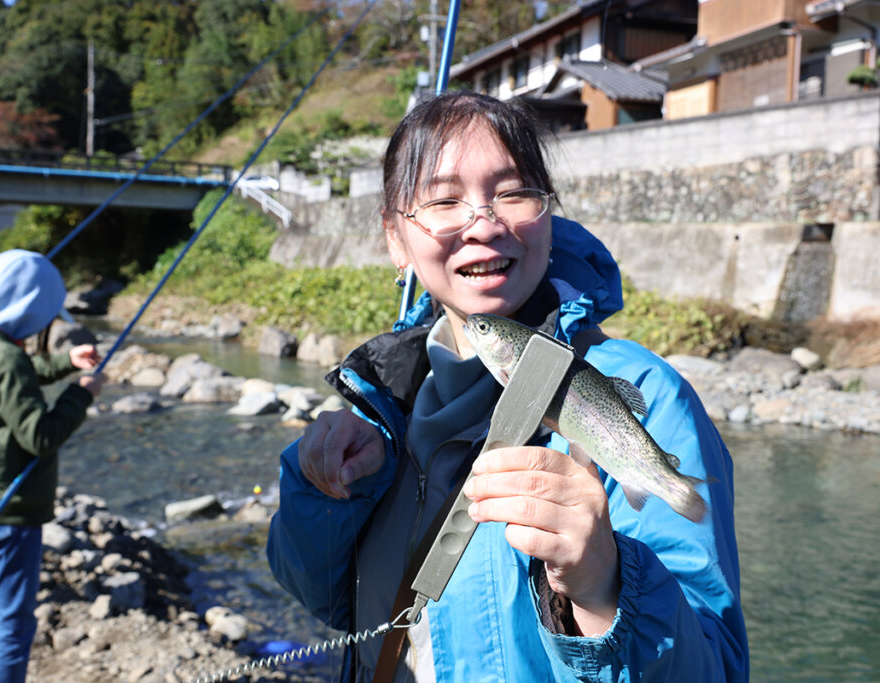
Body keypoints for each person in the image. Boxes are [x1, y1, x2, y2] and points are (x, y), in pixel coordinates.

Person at [266, 92, 748, 681]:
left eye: (513, 193)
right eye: (444, 200)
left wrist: (603, 589)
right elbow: (331, 603)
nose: (485, 224)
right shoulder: (382, 400)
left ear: (548, 214)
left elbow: (714, 667)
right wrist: (321, 494)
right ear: (396, 237)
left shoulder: (647, 391)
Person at [0, 249, 105, 681]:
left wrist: (64, 364)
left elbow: (10, 378)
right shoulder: (4, 357)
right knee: (14, 624)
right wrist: (83, 393)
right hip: (7, 510)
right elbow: (42, 436)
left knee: (0, 616)